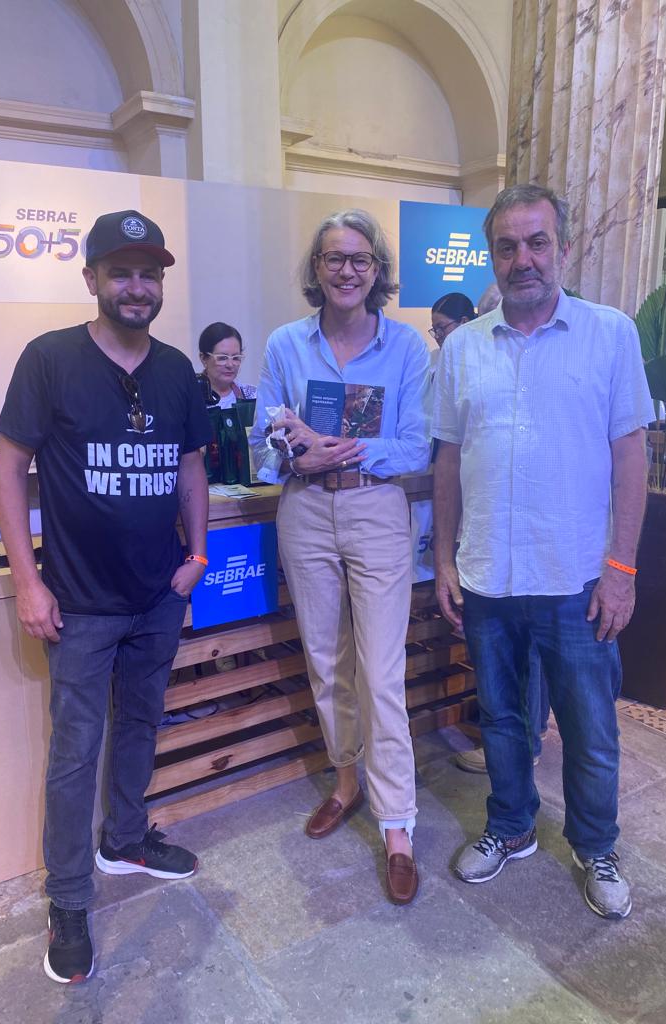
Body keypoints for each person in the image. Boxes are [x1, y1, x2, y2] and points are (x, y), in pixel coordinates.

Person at [0, 209, 211, 983]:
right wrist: (27, 581)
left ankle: (124, 841)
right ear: (91, 278)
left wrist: (198, 556)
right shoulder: (49, 359)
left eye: (149, 274)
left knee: (142, 725)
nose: (137, 286)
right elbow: (8, 469)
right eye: (121, 272)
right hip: (79, 605)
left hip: (158, 595)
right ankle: (69, 899)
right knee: (75, 751)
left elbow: (190, 468)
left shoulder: (177, 371)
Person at [431, 184, 653, 920]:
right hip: (488, 577)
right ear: (491, 257)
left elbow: (630, 457)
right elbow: (448, 460)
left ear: (564, 247)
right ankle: (511, 826)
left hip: (577, 577)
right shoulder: (464, 347)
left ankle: (595, 846)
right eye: (507, 246)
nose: (522, 259)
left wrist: (622, 569)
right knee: (500, 720)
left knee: (589, 730)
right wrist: (443, 562)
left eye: (536, 242)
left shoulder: (610, 334)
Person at [249, 208, 431, 905]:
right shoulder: (285, 344)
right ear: (317, 269)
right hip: (304, 511)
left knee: (380, 673)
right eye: (334, 258)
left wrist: (343, 449)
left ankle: (398, 824)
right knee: (326, 662)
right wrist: (296, 454)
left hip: (376, 508)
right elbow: (265, 442)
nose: (346, 270)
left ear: (377, 270)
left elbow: (416, 446)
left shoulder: (405, 347)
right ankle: (346, 781)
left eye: (359, 259)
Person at [431, 289, 550, 775]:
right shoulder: (466, 357)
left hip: (540, 541)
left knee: (532, 652)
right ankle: (512, 752)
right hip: (487, 538)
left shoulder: (554, 359)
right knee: (502, 659)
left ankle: (529, 741)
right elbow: (451, 452)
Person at [197, 321, 257, 408]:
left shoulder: (252, 396)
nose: (230, 365)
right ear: (203, 359)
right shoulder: (191, 398)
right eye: (222, 358)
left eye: (236, 358)